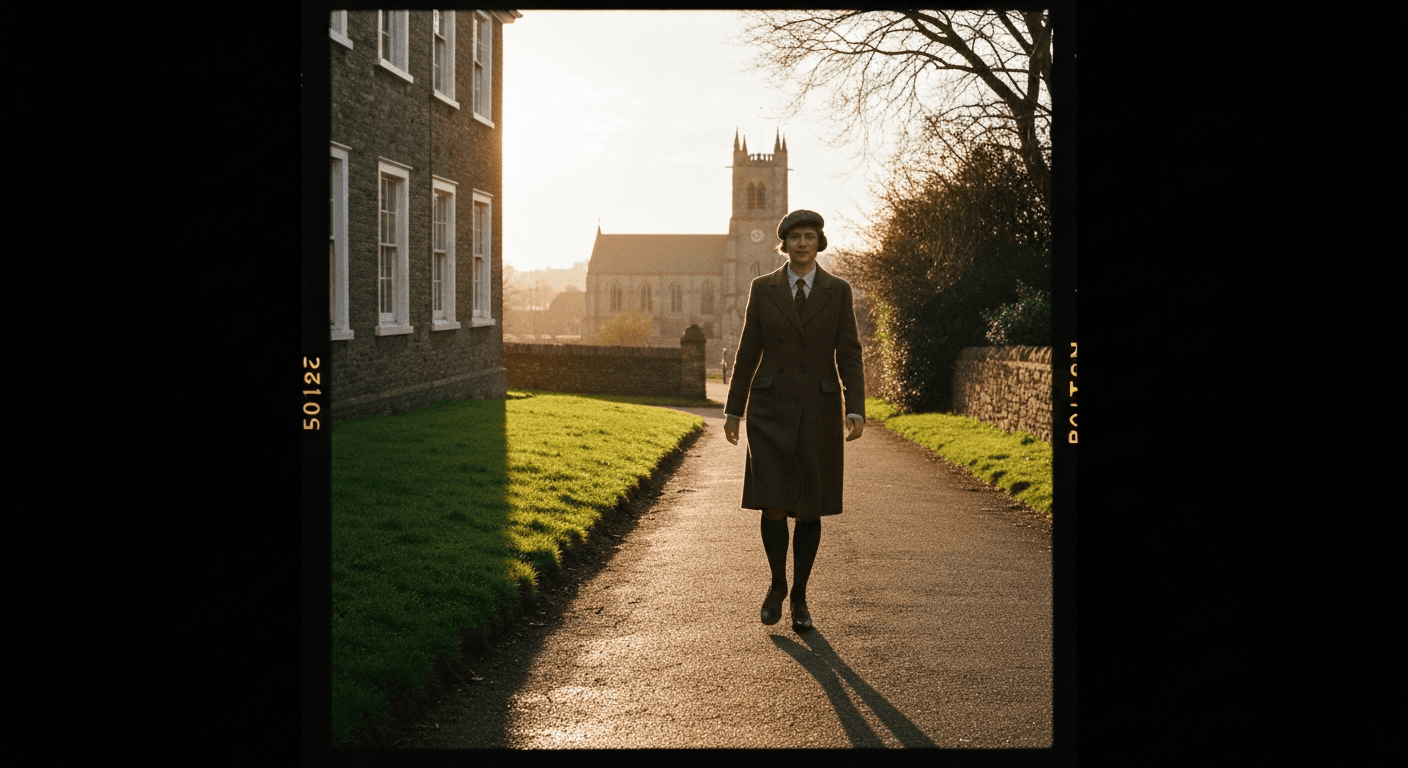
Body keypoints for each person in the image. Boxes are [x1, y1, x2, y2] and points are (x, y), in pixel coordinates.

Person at [723, 209, 865, 632]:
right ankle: (776, 584)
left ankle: (800, 594)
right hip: (769, 410)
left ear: (819, 244)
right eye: (795, 237)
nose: (802, 243)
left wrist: (854, 406)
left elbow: (850, 352)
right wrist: (734, 409)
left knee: (809, 509)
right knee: (773, 504)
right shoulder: (761, 289)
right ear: (783, 244)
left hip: (818, 412)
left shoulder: (838, 291)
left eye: (810, 236)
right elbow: (748, 351)